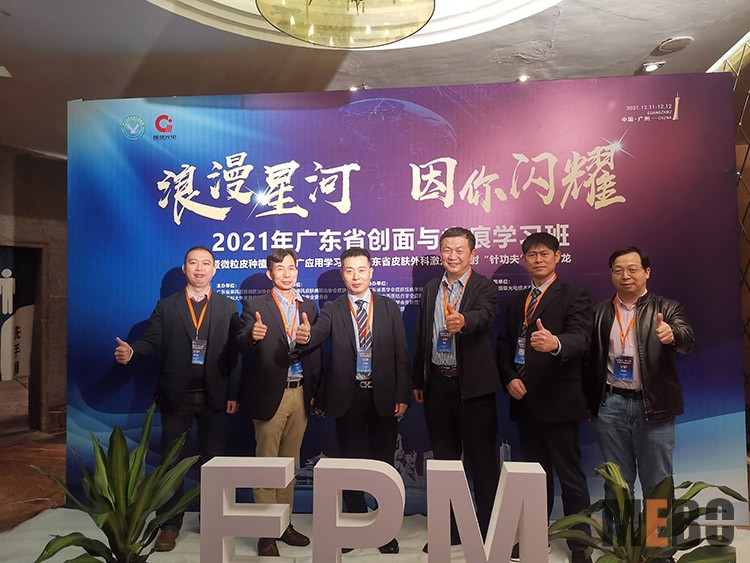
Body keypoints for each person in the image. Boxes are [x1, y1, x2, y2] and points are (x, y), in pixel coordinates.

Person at [114, 245, 240, 552]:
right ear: (184, 269)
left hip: (214, 397)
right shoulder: (167, 306)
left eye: (205, 263)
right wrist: (132, 352)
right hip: (176, 397)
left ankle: (214, 519)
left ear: (214, 269)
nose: (199, 268)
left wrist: (233, 393)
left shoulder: (227, 306)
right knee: (171, 464)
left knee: (214, 462)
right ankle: (169, 524)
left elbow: (235, 354)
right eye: (193, 263)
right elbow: (150, 341)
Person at [296, 247, 411, 554]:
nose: (356, 277)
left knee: (384, 463)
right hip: (347, 396)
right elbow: (317, 334)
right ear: (342, 274)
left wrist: (402, 393)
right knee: (350, 462)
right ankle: (356, 524)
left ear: (371, 272)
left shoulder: (388, 307)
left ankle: (385, 530)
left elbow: (401, 354)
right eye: (349, 271)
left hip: (383, 395)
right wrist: (306, 335)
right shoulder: (333, 308)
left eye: (361, 270)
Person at [497, 232, 592, 563]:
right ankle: (536, 537)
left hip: (559, 400)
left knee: (570, 477)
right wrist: (509, 378)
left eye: (544, 254)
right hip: (525, 401)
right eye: (532, 255)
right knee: (535, 478)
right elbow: (505, 345)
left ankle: (580, 545)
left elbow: (582, 338)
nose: (538, 260)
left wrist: (557, 343)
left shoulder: (574, 295)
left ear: (557, 257)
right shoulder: (517, 301)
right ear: (524, 260)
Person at [412, 226, 500, 551]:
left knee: (482, 461)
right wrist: (418, 380)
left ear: (472, 254)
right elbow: (422, 336)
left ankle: (490, 528)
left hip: (472, 388)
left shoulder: (484, 286)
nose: (452, 256)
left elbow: (485, 315)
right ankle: (450, 529)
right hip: (437, 384)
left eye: (459, 250)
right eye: (447, 250)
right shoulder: (431, 288)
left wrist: (464, 321)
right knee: (445, 462)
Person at [585, 246, 695, 502]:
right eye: (618, 270)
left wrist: (672, 335)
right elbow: (587, 360)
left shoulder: (667, 307)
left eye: (632, 269)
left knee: (658, 484)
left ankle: (656, 531)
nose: (625, 276)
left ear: (647, 272)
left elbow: (687, 341)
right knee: (616, 484)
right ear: (611, 275)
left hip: (653, 405)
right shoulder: (598, 312)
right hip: (610, 406)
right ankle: (620, 531)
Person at [237, 248, 322, 557]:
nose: (287, 274)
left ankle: (284, 524)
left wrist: (314, 389)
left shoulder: (308, 306)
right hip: (270, 394)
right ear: (270, 274)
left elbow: (314, 351)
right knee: (267, 463)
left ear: (297, 271)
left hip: (300, 392)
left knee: (289, 464)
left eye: (291, 268)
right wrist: (253, 335)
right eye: (280, 269)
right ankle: (266, 531)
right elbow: (240, 341)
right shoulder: (256, 305)